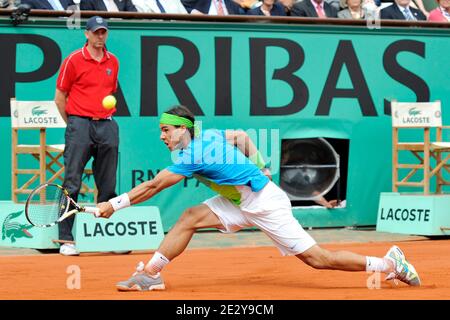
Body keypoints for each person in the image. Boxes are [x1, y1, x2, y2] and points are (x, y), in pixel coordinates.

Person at [96, 105, 421, 291]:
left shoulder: (192, 154)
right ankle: (151, 274)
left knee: (319, 260)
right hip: (242, 200)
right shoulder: (208, 135)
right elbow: (240, 136)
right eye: (160, 131)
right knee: (190, 217)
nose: (162, 136)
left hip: (265, 205)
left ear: (183, 129)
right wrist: (262, 164)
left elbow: (154, 186)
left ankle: (391, 263)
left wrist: (114, 203)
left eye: (167, 130)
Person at [55, 16, 120, 256]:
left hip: (107, 125)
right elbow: (60, 97)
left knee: (108, 184)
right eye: (96, 32)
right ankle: (65, 239)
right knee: (72, 182)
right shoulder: (73, 60)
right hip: (79, 125)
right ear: (87, 34)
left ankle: (106, 238)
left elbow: (109, 92)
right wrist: (74, 123)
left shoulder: (113, 61)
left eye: (103, 32)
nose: (100, 37)